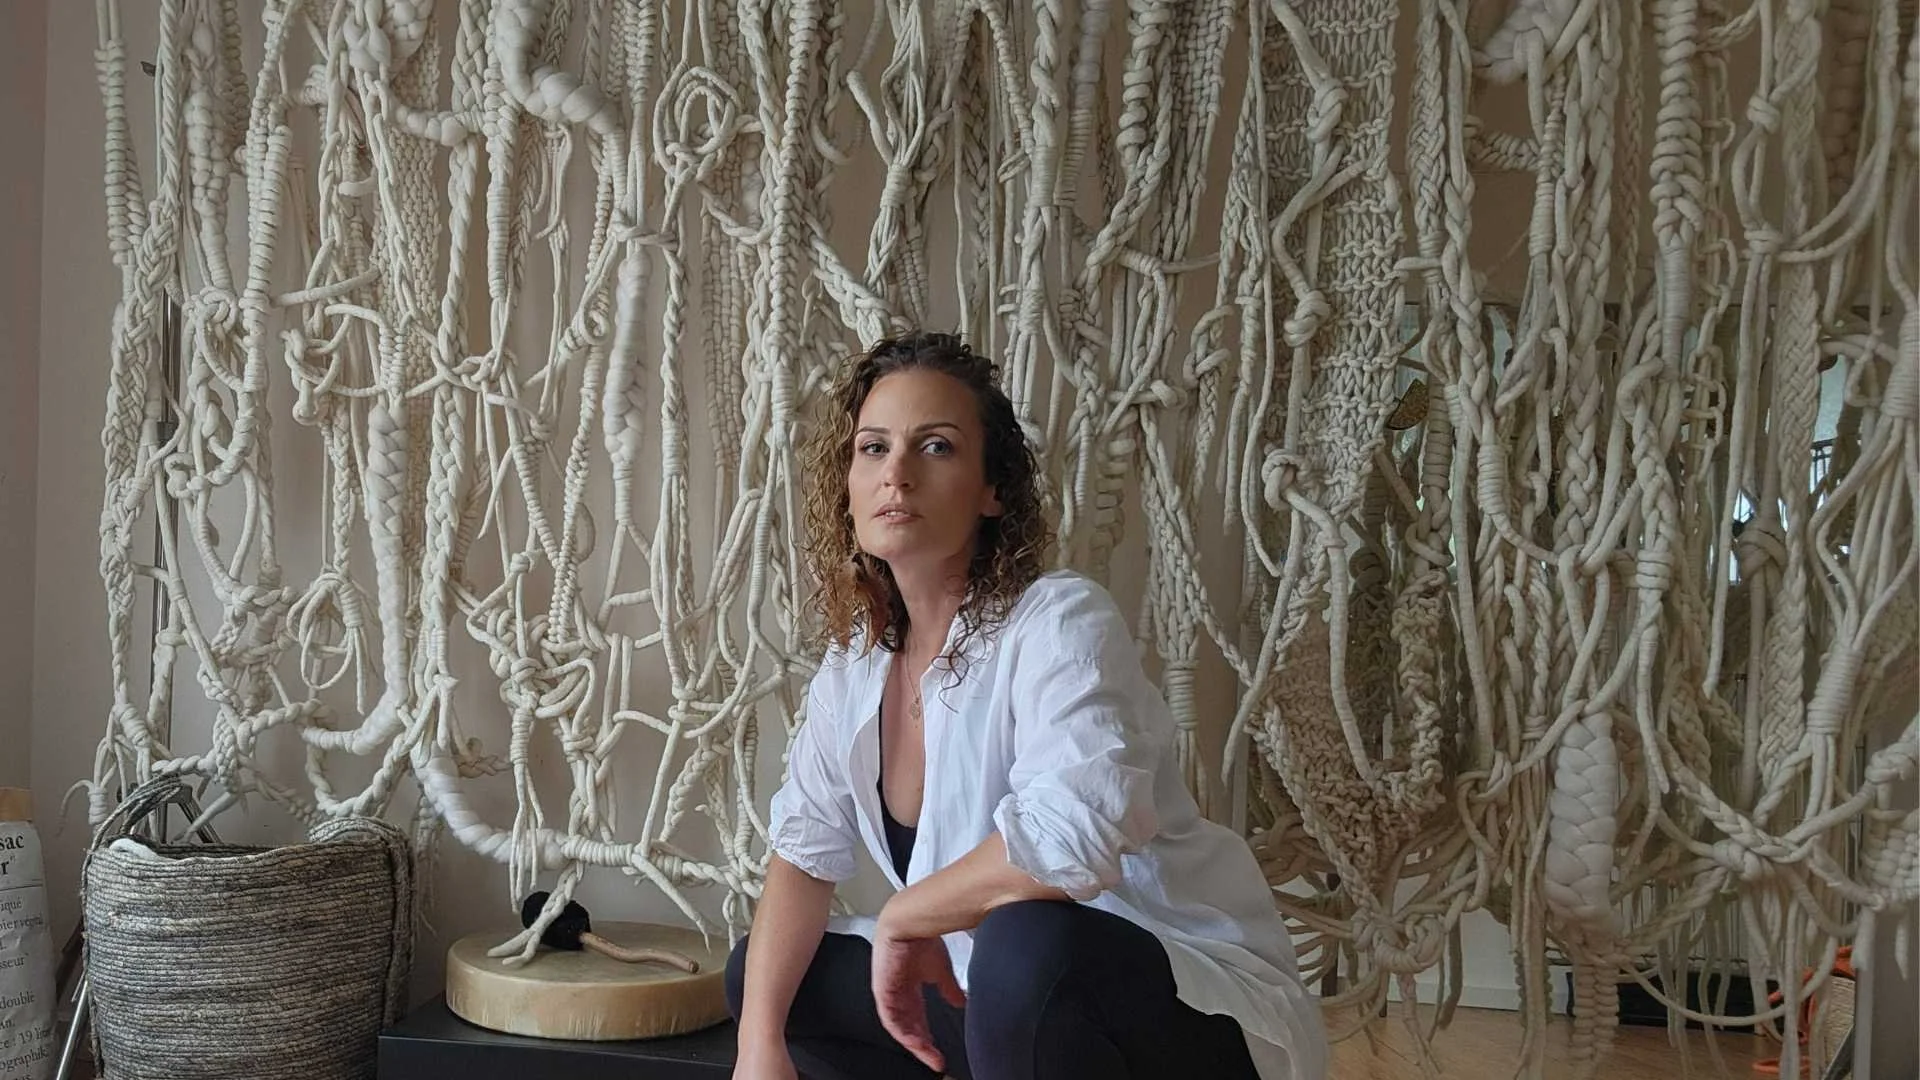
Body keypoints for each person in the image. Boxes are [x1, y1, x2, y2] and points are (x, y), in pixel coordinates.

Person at [726, 331, 1328, 1080]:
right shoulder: (854, 665)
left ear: (992, 490)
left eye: (936, 447)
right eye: (873, 448)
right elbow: (802, 856)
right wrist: (758, 1051)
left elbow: (1071, 839)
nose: (898, 475)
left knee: (1026, 947)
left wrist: (907, 915)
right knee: (770, 978)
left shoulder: (1059, 621)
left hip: (1177, 1010)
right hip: (1007, 1004)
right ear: (847, 485)